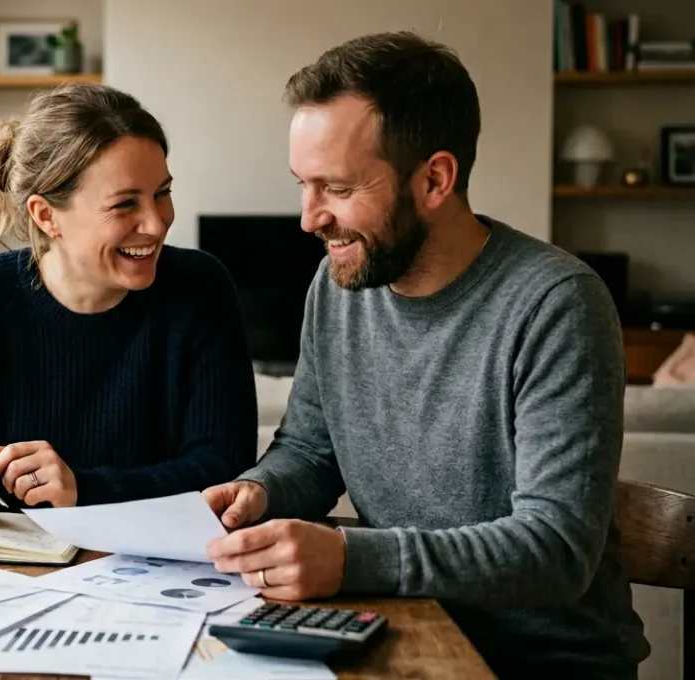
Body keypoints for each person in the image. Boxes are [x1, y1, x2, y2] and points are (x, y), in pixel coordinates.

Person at [201, 32, 648, 678]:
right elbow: (310, 451)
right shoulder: (336, 287)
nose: (308, 219)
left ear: (435, 179)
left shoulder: (558, 304)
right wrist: (258, 492)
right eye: (303, 184)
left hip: (538, 663)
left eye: (337, 188)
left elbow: (556, 550)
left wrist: (351, 557)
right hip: (394, 631)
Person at [0, 83, 259, 530]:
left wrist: (83, 489)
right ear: (46, 215)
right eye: (125, 204)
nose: (156, 222)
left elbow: (224, 466)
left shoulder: (200, 288)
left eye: (161, 193)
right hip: (10, 574)